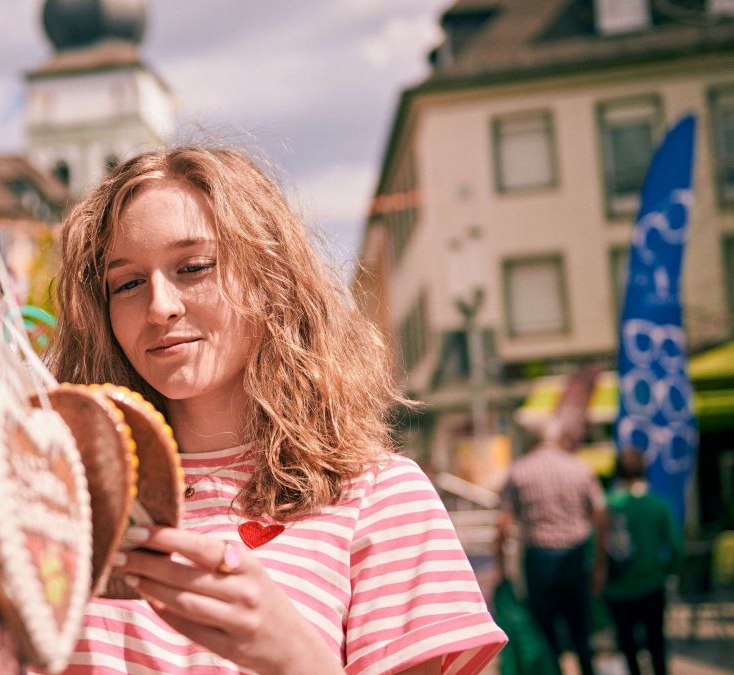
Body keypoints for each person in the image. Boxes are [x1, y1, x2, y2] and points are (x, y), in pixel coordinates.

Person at [47, 146, 507, 674]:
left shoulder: (377, 497)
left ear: (270, 280)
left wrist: (292, 654)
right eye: (126, 283)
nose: (160, 306)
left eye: (194, 267)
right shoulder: (69, 499)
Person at [495, 418, 606, 675]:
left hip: (539, 560)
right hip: (575, 557)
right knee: (581, 633)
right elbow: (601, 514)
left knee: (545, 635)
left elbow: (503, 525)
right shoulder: (579, 468)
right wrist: (600, 563)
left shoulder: (519, 471)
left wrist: (501, 567)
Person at [603, 449, 682, 675]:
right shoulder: (658, 505)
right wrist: (666, 572)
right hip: (652, 584)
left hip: (617, 588)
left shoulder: (607, 506)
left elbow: (595, 549)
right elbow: (676, 548)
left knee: (627, 647)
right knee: (656, 643)